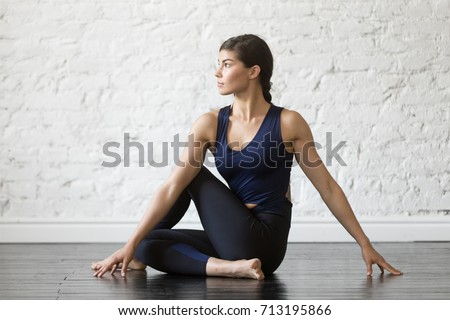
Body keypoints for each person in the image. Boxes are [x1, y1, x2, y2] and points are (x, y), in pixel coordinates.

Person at [92, 34, 402, 280]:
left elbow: (328, 188)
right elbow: (169, 188)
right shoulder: (210, 123)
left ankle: (230, 266)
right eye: (218, 63)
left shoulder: (288, 123)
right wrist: (130, 245)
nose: (218, 72)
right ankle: (230, 267)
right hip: (230, 236)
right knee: (147, 243)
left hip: (265, 238)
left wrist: (365, 243)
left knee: (192, 176)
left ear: (253, 71)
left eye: (226, 64)